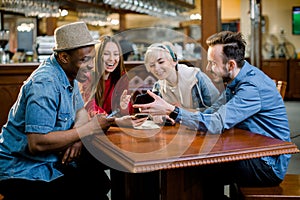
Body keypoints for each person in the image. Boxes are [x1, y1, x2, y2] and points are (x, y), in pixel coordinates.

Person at [134, 31, 291, 191]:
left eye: (213, 63)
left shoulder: (251, 87)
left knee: (194, 170)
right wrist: (173, 113)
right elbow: (211, 113)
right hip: (249, 150)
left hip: (266, 164)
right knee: (193, 166)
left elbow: (216, 123)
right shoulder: (236, 80)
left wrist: (172, 110)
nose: (209, 68)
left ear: (230, 65)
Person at [0, 22, 114, 200]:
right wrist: (89, 129)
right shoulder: (45, 84)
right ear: (64, 57)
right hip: (22, 169)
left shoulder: (71, 74)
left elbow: (80, 112)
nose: (91, 65)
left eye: (92, 58)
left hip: (50, 161)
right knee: (93, 192)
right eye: (84, 60)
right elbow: (37, 143)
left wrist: (78, 139)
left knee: (100, 181)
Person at [143, 42, 220, 124]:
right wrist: (158, 117)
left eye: (161, 62)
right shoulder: (158, 86)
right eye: (152, 65)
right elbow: (153, 113)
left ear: (174, 61)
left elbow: (218, 109)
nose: (156, 68)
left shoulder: (196, 77)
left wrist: (179, 111)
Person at [80, 35, 143, 127]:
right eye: (106, 54)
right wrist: (114, 120)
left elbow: (126, 115)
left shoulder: (121, 77)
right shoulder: (86, 77)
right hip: (90, 129)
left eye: (116, 54)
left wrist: (123, 107)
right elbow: (89, 108)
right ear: (97, 55)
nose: (111, 59)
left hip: (112, 128)